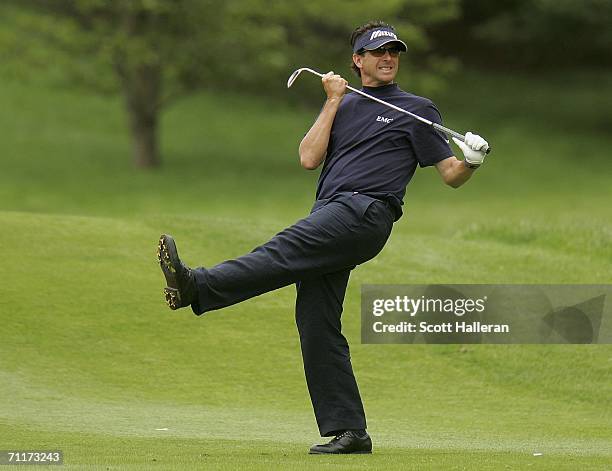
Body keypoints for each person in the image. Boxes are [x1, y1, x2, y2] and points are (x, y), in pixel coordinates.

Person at [157, 20, 489, 455]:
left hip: (366, 211)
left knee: (281, 250)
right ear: (357, 60)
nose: (388, 58)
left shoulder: (418, 109)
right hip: (333, 212)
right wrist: (333, 102)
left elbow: (450, 176)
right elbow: (308, 158)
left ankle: (197, 286)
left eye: (394, 52)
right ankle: (350, 431)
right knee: (316, 321)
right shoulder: (345, 104)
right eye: (377, 52)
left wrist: (472, 162)